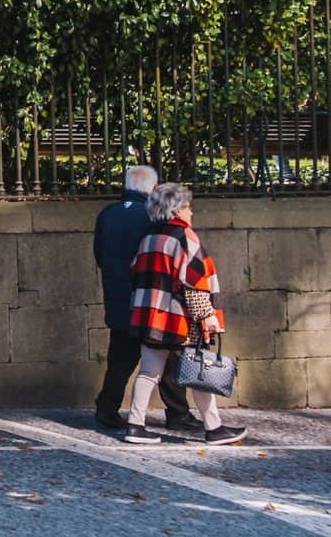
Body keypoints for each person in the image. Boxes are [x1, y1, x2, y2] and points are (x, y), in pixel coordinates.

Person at [123, 183, 247, 445]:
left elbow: (135, 270)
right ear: (176, 209)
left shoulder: (149, 236)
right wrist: (207, 316)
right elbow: (193, 282)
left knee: (149, 372)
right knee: (198, 369)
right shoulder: (184, 237)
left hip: (148, 315)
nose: (191, 212)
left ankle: (135, 425)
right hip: (176, 317)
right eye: (188, 206)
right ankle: (214, 428)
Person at [93, 166, 199, 433]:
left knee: (120, 358)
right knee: (167, 353)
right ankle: (177, 411)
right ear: (152, 188)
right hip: (150, 296)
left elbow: (99, 255)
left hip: (115, 295)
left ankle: (107, 408)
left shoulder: (107, 214)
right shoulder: (151, 218)